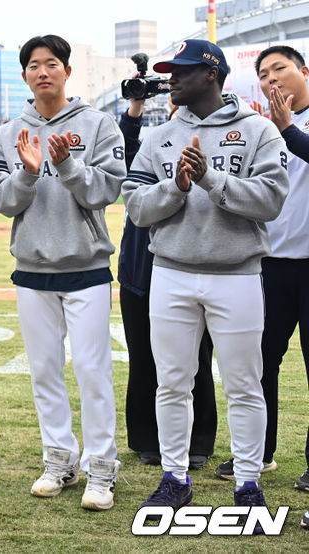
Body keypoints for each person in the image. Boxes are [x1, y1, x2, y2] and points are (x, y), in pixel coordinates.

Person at [122, 39, 287, 522]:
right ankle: (174, 478)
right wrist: (176, 187)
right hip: (171, 273)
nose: (171, 79)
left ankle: (249, 483)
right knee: (172, 383)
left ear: (211, 74)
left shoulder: (257, 130)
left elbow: (271, 201)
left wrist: (212, 180)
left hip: (236, 274)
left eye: (182, 70)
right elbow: (135, 206)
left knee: (244, 384)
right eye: (169, 71)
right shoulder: (160, 136)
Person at [0, 35, 124, 511]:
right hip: (32, 270)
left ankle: (101, 468)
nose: (42, 72)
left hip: (86, 267)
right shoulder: (9, 133)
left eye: (51, 64)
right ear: (24, 75)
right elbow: (0, 201)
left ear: (67, 70)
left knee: (92, 372)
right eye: (33, 65)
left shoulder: (98, 124)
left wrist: (66, 165)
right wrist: (27, 173)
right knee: (44, 371)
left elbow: (105, 191)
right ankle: (59, 460)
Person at [211, 45, 309, 485]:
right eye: (264, 73)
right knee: (259, 363)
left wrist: (288, 129)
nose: (272, 79)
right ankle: (257, 454)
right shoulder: (261, 128)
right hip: (270, 263)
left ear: (304, 71)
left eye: (280, 69)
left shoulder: (283, 127)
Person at [118, 97, 217, 471]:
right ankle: (147, 438)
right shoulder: (151, 146)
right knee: (143, 357)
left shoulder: (205, 152)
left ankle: (198, 440)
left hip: (189, 267)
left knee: (196, 359)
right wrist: (135, 110)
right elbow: (124, 150)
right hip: (140, 271)